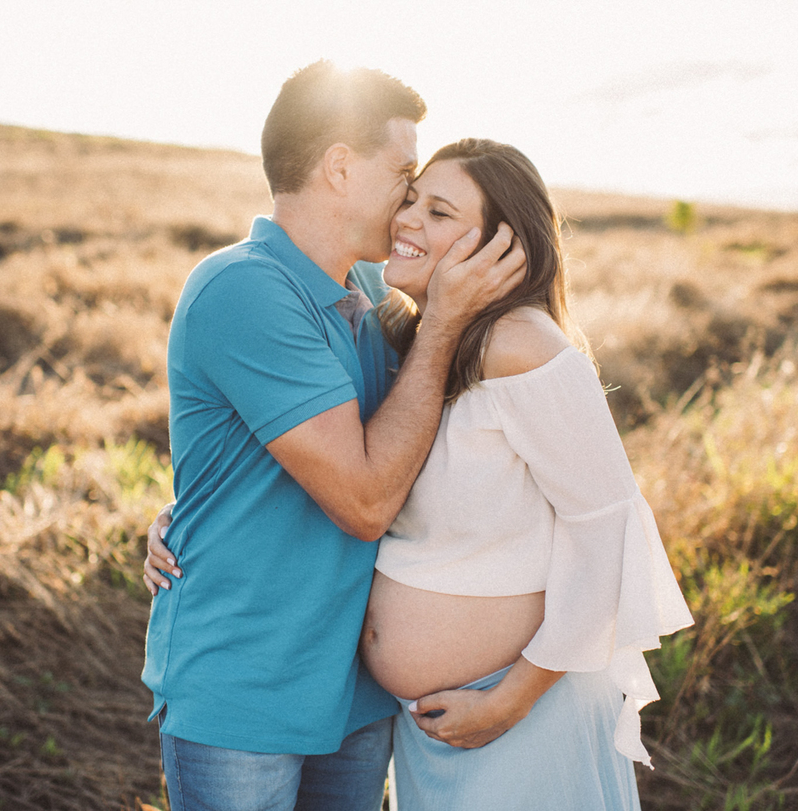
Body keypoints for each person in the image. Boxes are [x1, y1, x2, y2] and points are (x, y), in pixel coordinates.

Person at [147, 139, 694, 810]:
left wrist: (512, 698)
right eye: (409, 196)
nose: (408, 218)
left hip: (513, 712)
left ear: (501, 248)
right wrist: (191, 514)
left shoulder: (522, 345)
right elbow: (326, 448)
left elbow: (610, 526)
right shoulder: (401, 327)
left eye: (436, 209)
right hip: (420, 724)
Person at [141, 62, 527, 811]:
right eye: (404, 176)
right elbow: (364, 500)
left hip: (353, 690)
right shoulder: (242, 288)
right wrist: (443, 322)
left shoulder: (377, 294)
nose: (412, 202)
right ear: (341, 168)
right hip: (245, 691)